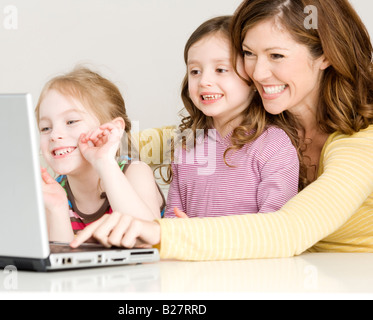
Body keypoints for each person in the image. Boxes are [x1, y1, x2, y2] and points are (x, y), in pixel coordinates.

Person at [71, 0, 373, 259]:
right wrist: (76, 144)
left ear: (325, 55)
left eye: (276, 55)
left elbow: (291, 228)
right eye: (248, 53)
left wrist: (159, 233)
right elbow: (147, 143)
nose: (257, 71)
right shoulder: (264, 121)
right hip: (280, 276)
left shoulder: (361, 143)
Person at [163, 16, 299, 219]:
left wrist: (204, 238)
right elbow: (172, 220)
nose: (204, 81)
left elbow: (276, 227)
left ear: (252, 79)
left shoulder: (273, 146)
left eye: (221, 70)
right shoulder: (187, 145)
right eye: (195, 71)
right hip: (189, 250)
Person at [37, 67, 165, 242]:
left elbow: (148, 243)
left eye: (71, 121)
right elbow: (64, 262)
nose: (54, 135)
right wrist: (58, 209)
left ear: (112, 129)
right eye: (45, 128)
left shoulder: (135, 172)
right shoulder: (55, 193)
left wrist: (104, 162)